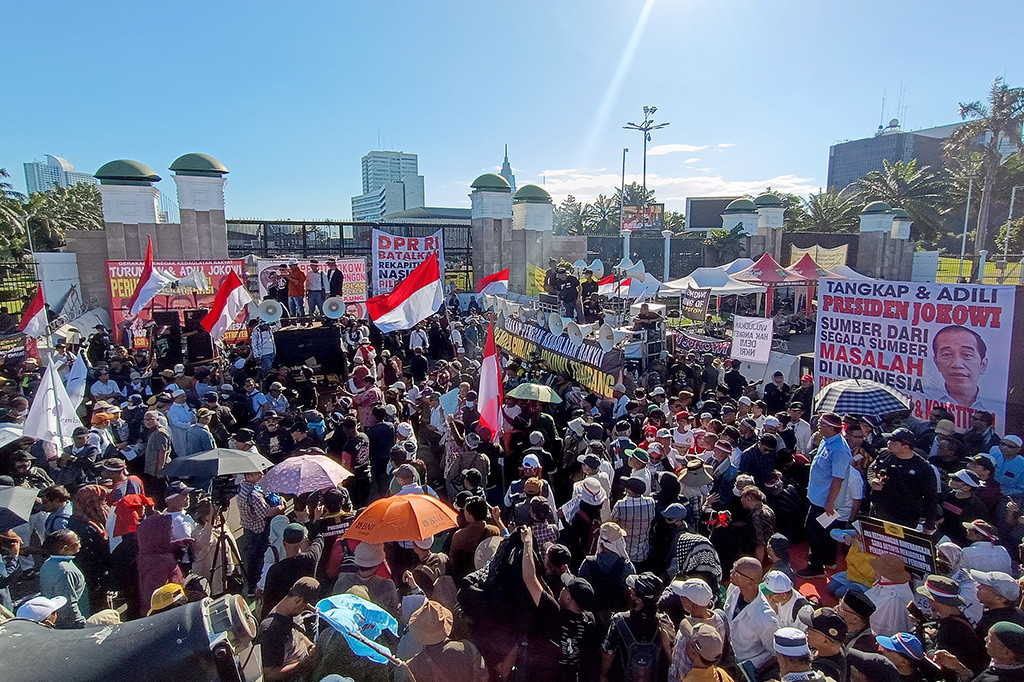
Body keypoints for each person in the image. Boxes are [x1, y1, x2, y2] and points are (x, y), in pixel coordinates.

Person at [519, 526, 600, 681]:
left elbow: (529, 577)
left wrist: (527, 541)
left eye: (566, 589)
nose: (563, 589)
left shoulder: (554, 612)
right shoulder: (589, 619)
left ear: (570, 599)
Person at [800, 413, 851, 578]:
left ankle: (815, 566)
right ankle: (829, 560)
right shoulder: (826, 441)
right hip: (818, 496)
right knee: (826, 530)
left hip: (826, 501)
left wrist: (830, 502)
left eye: (821, 424)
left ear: (831, 428)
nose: (818, 426)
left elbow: (838, 479)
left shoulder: (840, 449)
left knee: (813, 530)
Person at [600, 572, 673, 682]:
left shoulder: (619, 620)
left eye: (632, 590)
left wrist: (603, 675)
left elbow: (608, 653)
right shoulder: (665, 621)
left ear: (638, 599)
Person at [867, 427, 937, 532]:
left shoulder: (923, 468)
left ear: (905, 446)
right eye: (889, 440)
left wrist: (929, 524)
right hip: (878, 510)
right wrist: (872, 480)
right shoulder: (884, 454)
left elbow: (931, 498)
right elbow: (871, 468)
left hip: (903, 517)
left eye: (893, 442)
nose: (888, 443)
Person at [404, 600, 488, 682]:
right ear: (446, 624)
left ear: (420, 632)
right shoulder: (467, 648)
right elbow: (484, 676)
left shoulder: (413, 665)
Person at [722, 557, 780, 675]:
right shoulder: (734, 588)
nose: (731, 572)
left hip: (743, 665)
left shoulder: (765, 619)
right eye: (734, 567)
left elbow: (773, 652)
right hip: (726, 652)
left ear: (750, 582)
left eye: (737, 572)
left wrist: (749, 669)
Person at [258, 576, 320, 682]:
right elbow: (268, 674)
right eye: (305, 606)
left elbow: (297, 634)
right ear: (298, 600)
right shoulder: (271, 631)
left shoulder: (290, 613)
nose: (307, 609)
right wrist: (302, 665)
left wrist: (310, 645)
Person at [261, 523, 324, 619]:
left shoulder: (275, 570)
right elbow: (319, 541)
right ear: (304, 541)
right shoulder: (311, 558)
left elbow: (268, 601)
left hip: (284, 616)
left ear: (284, 543)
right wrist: (314, 522)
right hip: (306, 612)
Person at [931, 324, 990, 410]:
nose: (957, 364)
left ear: (983, 364)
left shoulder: (995, 407)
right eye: (947, 354)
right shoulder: (921, 399)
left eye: (967, 355)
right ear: (936, 363)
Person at [39, 529, 88, 629]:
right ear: (64, 548)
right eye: (76, 540)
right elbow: (68, 603)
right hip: (69, 623)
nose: (79, 541)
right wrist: (81, 623)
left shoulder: (48, 562)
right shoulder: (65, 571)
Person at [800, 607, 849, 682]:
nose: (806, 630)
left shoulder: (822, 672)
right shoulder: (836, 648)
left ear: (825, 642)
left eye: (810, 629)